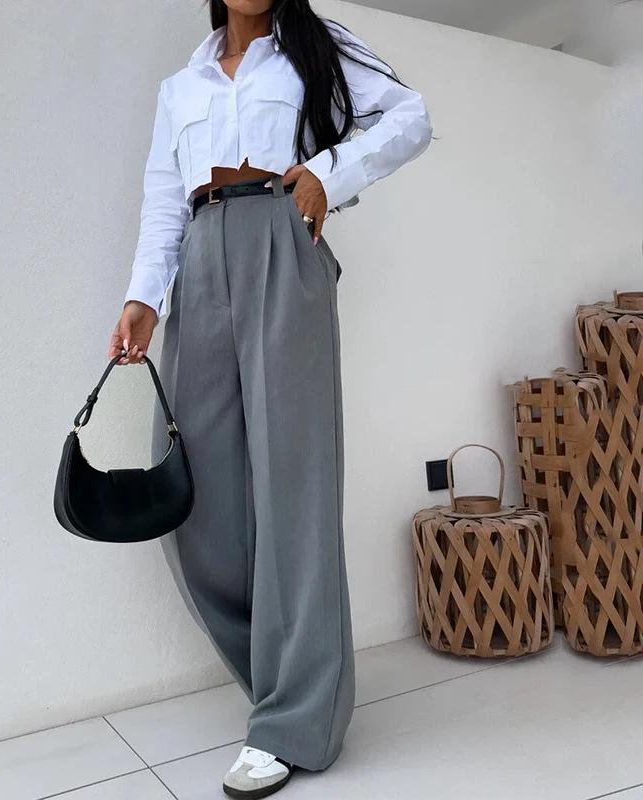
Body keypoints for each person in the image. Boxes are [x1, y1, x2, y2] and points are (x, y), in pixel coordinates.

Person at [109, 1, 432, 796]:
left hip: (281, 243)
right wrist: (144, 298)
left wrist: (328, 173)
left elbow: (410, 116)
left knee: (294, 484)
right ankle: (287, 681)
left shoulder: (314, 49)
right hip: (201, 256)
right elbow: (163, 200)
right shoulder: (181, 86)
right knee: (194, 496)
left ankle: (292, 720)